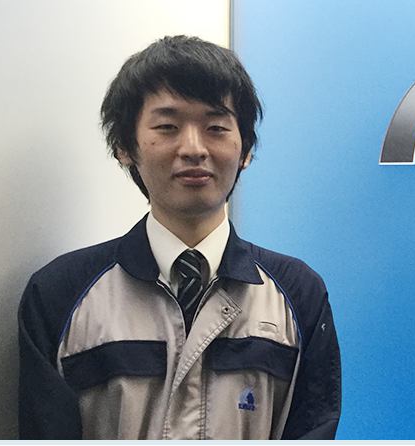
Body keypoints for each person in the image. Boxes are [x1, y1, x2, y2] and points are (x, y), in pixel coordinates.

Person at [18, 35, 341, 440]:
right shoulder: (59, 293)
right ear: (124, 146)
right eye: (167, 127)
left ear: (245, 150)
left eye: (216, 128)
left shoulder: (299, 293)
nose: (193, 148)